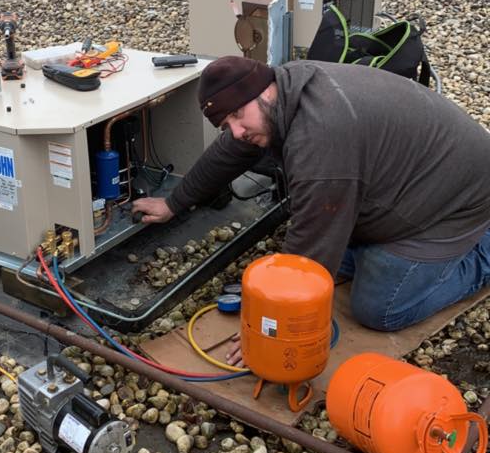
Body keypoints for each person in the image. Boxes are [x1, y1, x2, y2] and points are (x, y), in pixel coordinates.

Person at [133, 55, 490, 347]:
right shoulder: (284, 88)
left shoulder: (321, 139)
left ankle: (481, 253)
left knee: (380, 309)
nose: (238, 131)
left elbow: (307, 250)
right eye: (227, 123)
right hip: (411, 182)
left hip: (458, 202)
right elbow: (230, 151)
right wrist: (173, 203)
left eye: (238, 116)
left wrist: (269, 335)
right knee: (335, 260)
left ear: (263, 92)